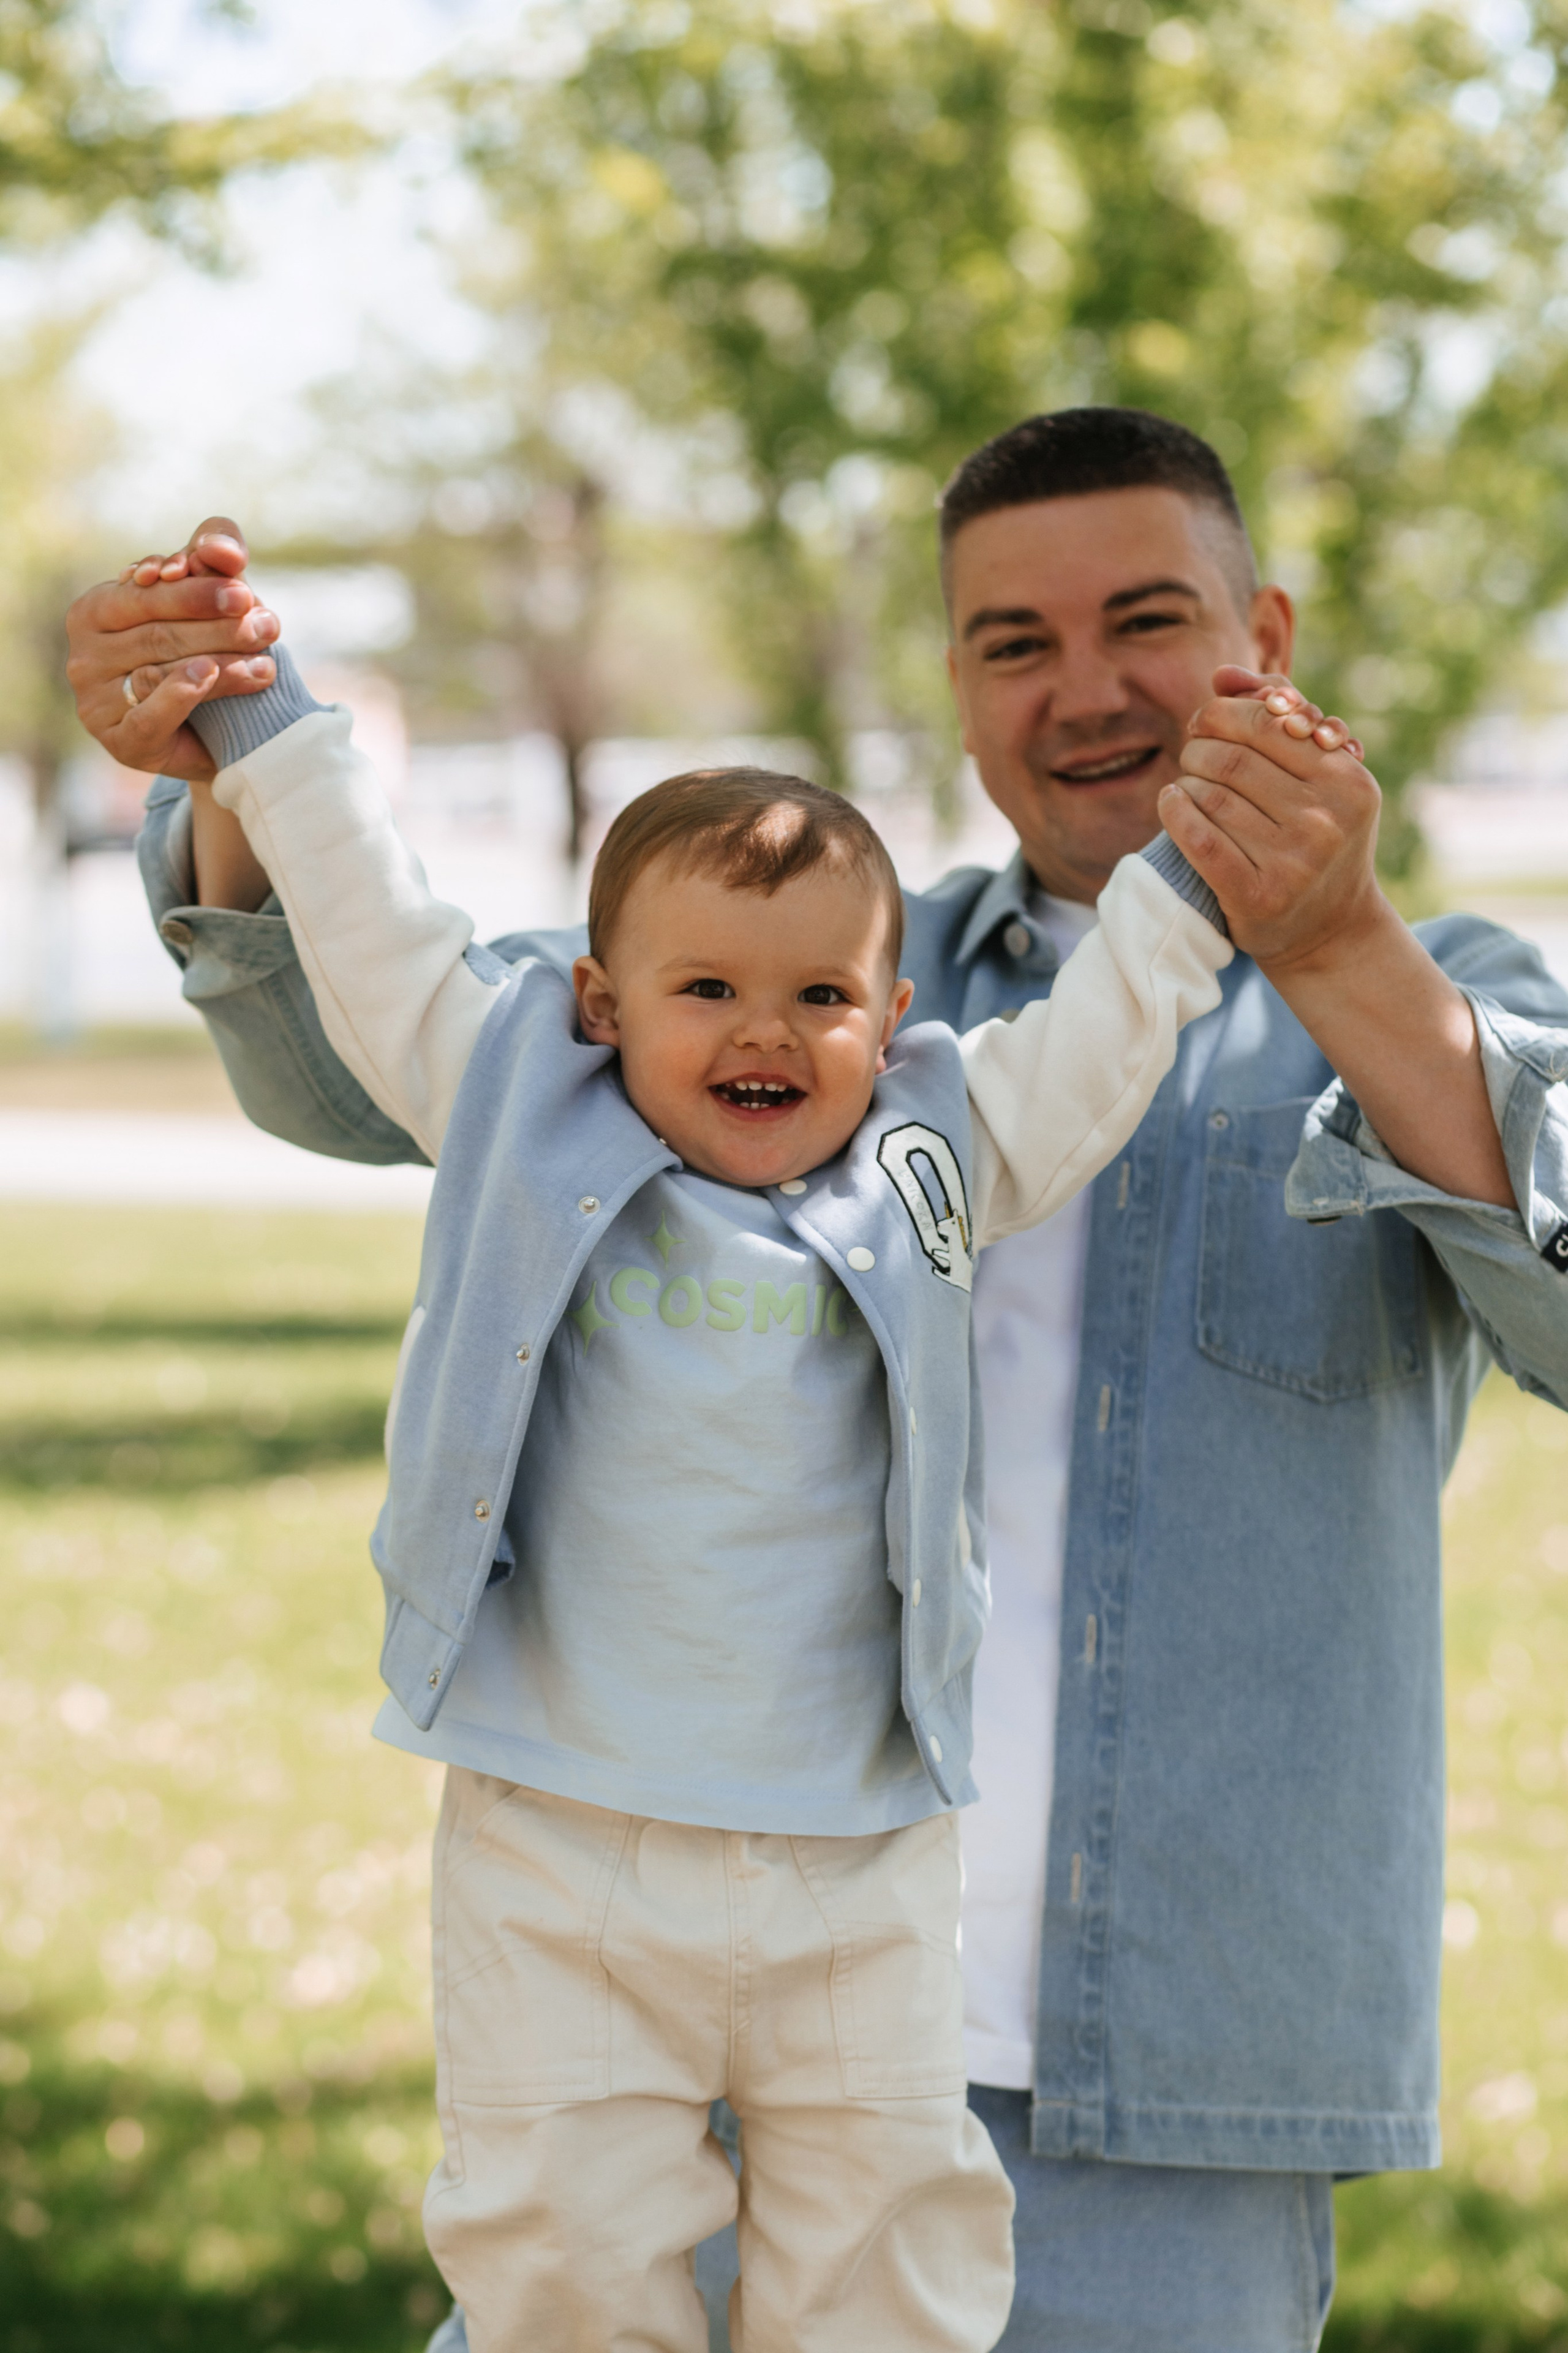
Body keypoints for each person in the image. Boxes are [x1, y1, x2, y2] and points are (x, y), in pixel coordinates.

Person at [67, 407, 1568, 2353]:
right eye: (1013, 641)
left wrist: (1325, 931)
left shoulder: (1444, 988)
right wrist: (232, 766)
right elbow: (386, 1050)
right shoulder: (833, 964)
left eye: (1146, 620)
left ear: (1262, 636)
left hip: (1173, 2074)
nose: (1086, 688)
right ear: (956, 679)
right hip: (664, 1998)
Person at [162, 627, 1253, 2347]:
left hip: (862, 1849)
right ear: (603, 1001)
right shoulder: (522, 1096)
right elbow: (376, 941)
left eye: (822, 995)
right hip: (565, 1830)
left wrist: (1198, 876)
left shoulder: (932, 1146)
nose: (770, 1030)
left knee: (885, 2248)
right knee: (561, 2249)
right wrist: (264, 728)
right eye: (708, 989)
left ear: (893, 1021)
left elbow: (1102, 1036)